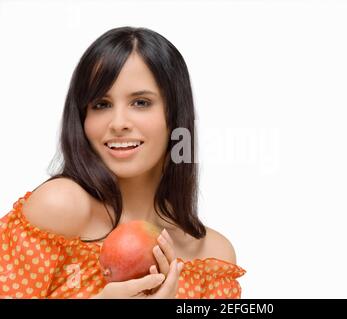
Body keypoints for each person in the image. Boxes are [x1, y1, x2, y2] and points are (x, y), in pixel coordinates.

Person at [0, 26, 245, 299]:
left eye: (140, 102)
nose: (118, 124)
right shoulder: (60, 209)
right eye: (101, 105)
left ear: (175, 116)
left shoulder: (212, 258)